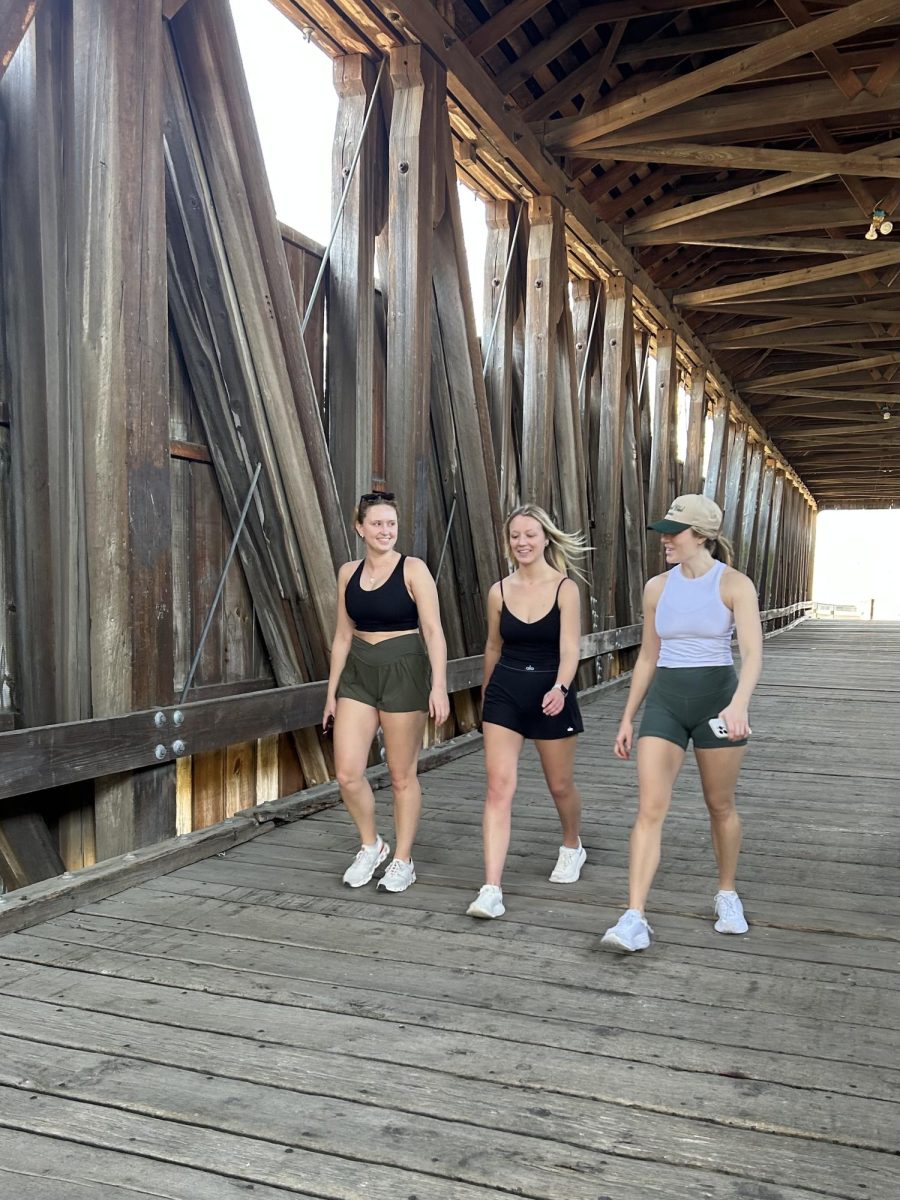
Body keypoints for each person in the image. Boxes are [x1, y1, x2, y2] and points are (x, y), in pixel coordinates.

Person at [601, 494, 763, 952]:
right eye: (665, 531)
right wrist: (628, 716)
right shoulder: (657, 587)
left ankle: (727, 894)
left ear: (702, 536)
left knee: (720, 805)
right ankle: (634, 917)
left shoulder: (734, 584)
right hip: (667, 701)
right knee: (650, 808)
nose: (666, 539)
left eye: (675, 532)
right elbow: (649, 657)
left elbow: (752, 653)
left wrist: (739, 704)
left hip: (718, 699)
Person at [323, 491, 450, 894]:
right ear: (360, 528)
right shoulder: (348, 572)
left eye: (391, 524)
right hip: (358, 672)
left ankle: (403, 859)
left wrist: (440, 686)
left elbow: (433, 630)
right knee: (346, 773)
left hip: (404, 669)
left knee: (401, 775)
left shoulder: (414, 569)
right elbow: (342, 636)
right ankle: (372, 844)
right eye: (377, 523)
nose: (385, 530)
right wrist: (331, 693)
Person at [466, 504, 589, 919]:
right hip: (505, 692)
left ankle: (572, 844)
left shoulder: (564, 589)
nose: (522, 542)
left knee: (560, 785)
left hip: (551, 690)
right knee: (498, 788)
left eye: (530, 534)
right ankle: (491, 889)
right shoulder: (498, 591)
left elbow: (571, 648)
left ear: (545, 538)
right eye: (515, 535)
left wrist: (561, 687)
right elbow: (493, 647)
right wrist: (487, 696)